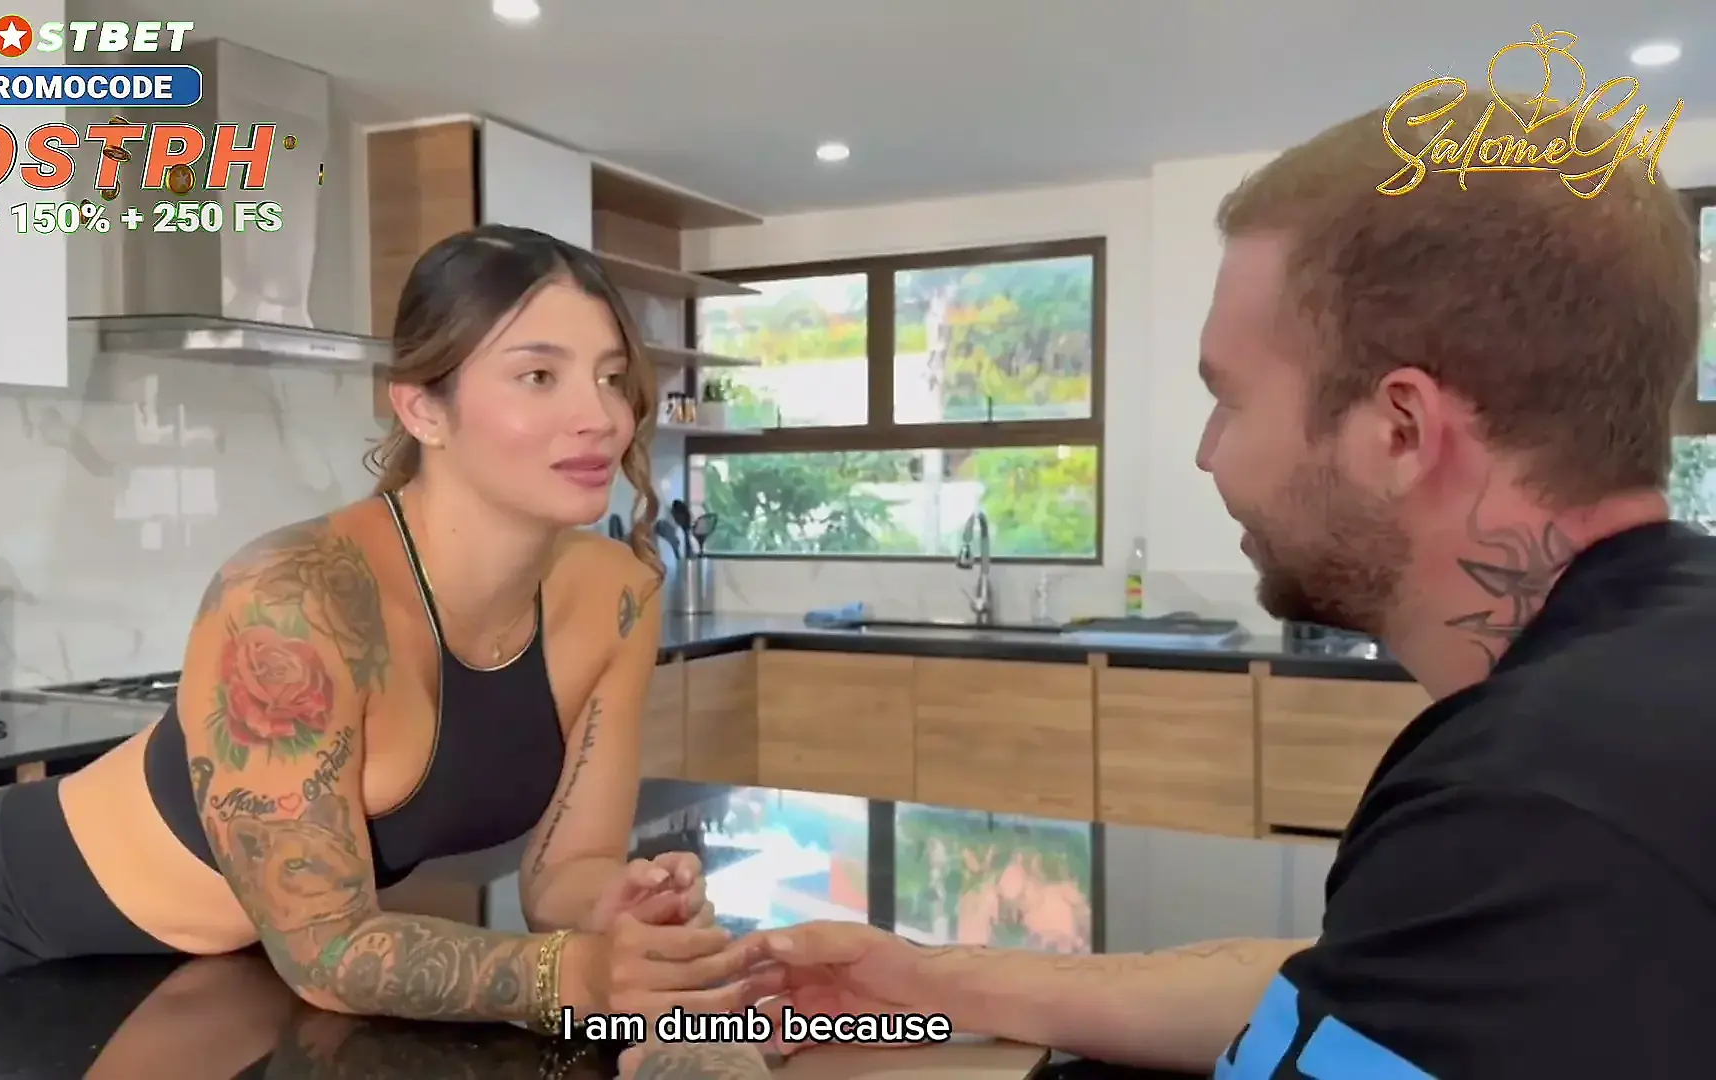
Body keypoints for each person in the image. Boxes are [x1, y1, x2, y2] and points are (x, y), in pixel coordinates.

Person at [623, 90, 1716, 1078]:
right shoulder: (1633, 698)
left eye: (1228, 399)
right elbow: (1337, 988)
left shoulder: (1537, 815)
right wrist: (929, 980)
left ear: (1399, 429)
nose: (1206, 453)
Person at [0, 225, 777, 1035]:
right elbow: (328, 950)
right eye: (540, 375)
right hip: (3, 936)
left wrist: (613, 910)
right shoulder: (294, 598)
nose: (601, 416)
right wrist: (572, 977)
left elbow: (568, 868)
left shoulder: (616, 593)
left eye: (612, 377)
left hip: (206, 972)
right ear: (422, 407)